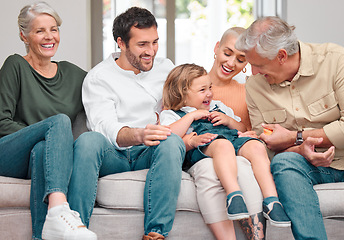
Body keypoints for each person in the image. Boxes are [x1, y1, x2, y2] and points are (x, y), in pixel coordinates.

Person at [79, 7, 185, 240]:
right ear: (121, 43)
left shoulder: (166, 68)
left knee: (171, 141)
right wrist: (139, 134)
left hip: (150, 152)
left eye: (155, 42)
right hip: (114, 156)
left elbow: (180, 104)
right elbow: (105, 127)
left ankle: (156, 233)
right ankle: (75, 228)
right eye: (142, 45)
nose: (151, 51)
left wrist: (164, 122)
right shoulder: (99, 78)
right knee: (88, 140)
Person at [235, 16, 344, 240]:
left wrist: (296, 136)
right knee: (284, 162)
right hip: (308, 166)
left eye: (258, 65)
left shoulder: (335, 61)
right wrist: (300, 149)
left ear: (281, 56)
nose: (253, 72)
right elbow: (266, 146)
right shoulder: (255, 86)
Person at [0, 2, 97, 240]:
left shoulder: (72, 75)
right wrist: (44, 134)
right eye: (40, 30)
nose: (49, 36)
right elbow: (2, 122)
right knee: (58, 123)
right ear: (24, 35)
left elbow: (106, 89)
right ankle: (58, 208)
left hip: (41, 158)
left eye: (54, 29)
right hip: (9, 152)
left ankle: (43, 235)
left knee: (45, 149)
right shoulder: (15, 65)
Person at [161, 63, 290, 226]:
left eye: (210, 87)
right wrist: (192, 116)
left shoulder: (218, 106)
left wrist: (229, 121)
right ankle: (234, 195)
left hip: (231, 140)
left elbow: (242, 128)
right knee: (223, 144)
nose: (209, 93)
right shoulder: (172, 114)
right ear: (181, 94)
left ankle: (272, 201)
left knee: (255, 146)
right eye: (202, 90)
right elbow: (169, 135)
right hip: (203, 147)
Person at [188, 27, 267, 240]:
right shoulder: (191, 83)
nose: (231, 63)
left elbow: (250, 132)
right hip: (202, 150)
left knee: (242, 165)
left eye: (241, 59)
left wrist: (242, 129)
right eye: (227, 53)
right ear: (216, 48)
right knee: (209, 169)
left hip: (236, 153)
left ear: (247, 64)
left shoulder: (247, 93)